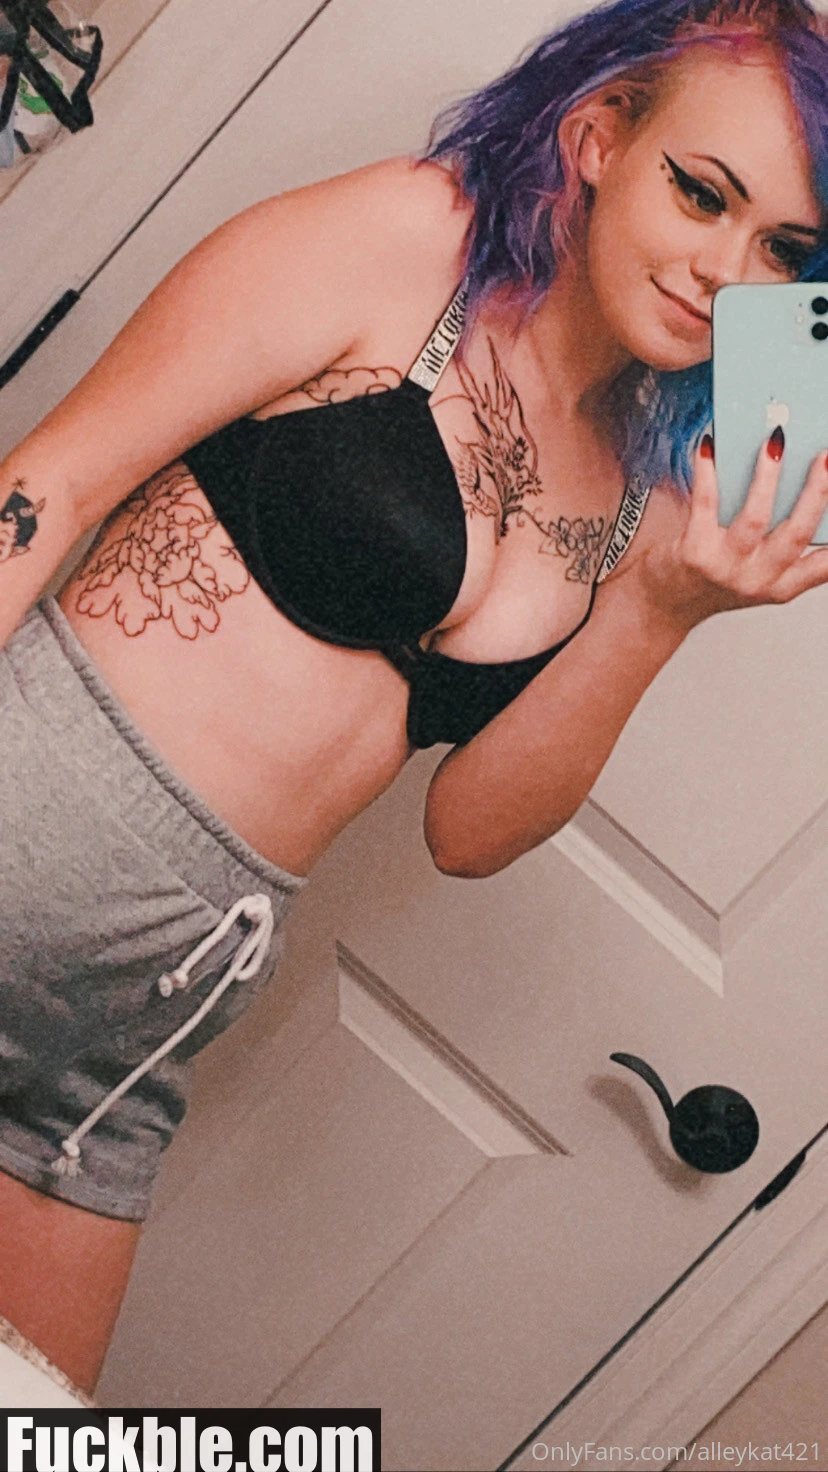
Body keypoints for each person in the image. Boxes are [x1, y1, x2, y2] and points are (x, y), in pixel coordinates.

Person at [0, 0, 826, 1399]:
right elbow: (51, 482)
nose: (723, 275)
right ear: (599, 136)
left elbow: (469, 830)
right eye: (703, 194)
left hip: (131, 1046)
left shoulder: (638, 492)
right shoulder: (409, 241)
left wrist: (659, 610)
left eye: (785, 253)